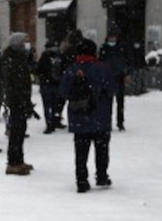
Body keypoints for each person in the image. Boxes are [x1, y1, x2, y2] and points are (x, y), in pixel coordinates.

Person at [59, 38, 117, 193]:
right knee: (102, 149)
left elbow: (63, 92)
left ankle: (82, 180)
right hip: (101, 117)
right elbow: (112, 89)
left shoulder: (72, 69)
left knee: (81, 152)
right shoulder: (104, 68)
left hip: (79, 117)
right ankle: (102, 175)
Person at [2, 33, 34, 175]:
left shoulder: (20, 57)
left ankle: (19, 160)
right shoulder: (11, 59)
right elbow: (14, 83)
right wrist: (21, 99)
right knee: (16, 131)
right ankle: (13, 162)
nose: (27, 44)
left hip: (21, 99)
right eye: (24, 42)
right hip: (16, 100)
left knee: (20, 131)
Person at [98, 32, 133, 131]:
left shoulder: (121, 48)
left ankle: (120, 122)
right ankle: (107, 122)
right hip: (108, 78)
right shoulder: (104, 48)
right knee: (107, 102)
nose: (112, 40)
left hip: (119, 77)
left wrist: (127, 74)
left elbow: (128, 61)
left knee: (120, 102)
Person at [34, 40, 64, 133]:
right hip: (57, 84)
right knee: (56, 105)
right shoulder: (60, 56)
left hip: (46, 85)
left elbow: (38, 70)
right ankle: (55, 120)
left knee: (47, 106)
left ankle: (49, 124)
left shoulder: (44, 56)